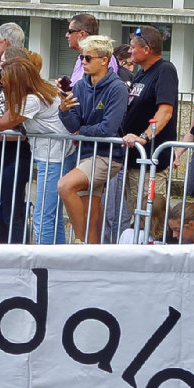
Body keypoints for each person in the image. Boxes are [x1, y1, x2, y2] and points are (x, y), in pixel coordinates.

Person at [96, 26, 178, 243]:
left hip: (151, 160)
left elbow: (165, 111)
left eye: (133, 48)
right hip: (133, 160)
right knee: (137, 215)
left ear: (147, 49)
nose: (129, 52)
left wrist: (144, 136)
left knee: (153, 216)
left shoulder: (165, 71)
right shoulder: (142, 73)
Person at [0, 59, 62, 244]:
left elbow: (0, 124)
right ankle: (56, 255)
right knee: (51, 215)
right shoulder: (35, 92)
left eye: (3, 78)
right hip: (48, 154)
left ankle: (42, 259)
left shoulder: (32, 100)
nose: (0, 81)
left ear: (16, 80)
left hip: (51, 155)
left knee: (43, 216)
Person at [55, 35, 128, 243]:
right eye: (81, 59)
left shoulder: (117, 88)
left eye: (88, 58)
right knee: (92, 215)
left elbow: (108, 129)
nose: (83, 62)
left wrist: (81, 130)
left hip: (107, 155)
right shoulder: (80, 86)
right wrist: (64, 111)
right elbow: (73, 124)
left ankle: (79, 240)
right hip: (88, 154)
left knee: (65, 186)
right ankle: (90, 251)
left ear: (104, 60)